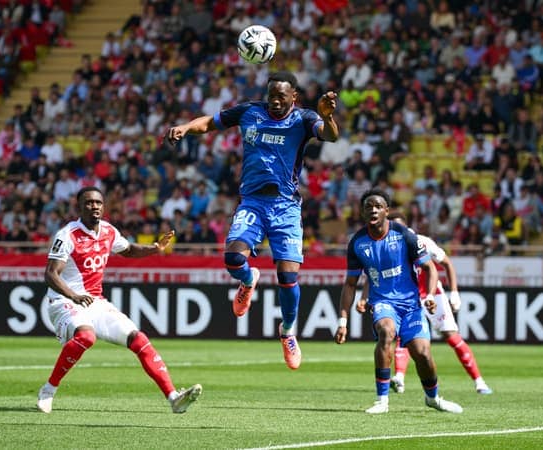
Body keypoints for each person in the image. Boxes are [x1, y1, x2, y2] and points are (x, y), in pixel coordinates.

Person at [166, 71, 338, 370]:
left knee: (287, 277)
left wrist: (328, 117)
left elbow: (331, 135)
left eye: (281, 97)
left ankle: (287, 332)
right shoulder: (249, 111)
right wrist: (185, 127)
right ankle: (248, 279)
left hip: (285, 207)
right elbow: (210, 122)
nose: (275, 101)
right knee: (233, 258)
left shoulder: (304, 119)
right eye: (271, 95)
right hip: (253, 202)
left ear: (293, 97)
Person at [36, 187, 201, 414]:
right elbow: (51, 274)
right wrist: (73, 295)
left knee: (138, 339)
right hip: (64, 301)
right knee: (86, 336)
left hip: (94, 301)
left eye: (98, 203)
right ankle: (48, 390)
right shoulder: (67, 235)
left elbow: (129, 250)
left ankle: (174, 398)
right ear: (79, 207)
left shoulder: (108, 231)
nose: (94, 206)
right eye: (89, 203)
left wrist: (155, 248)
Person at [334, 188, 463, 415]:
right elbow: (351, 284)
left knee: (422, 353)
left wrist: (430, 295)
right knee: (386, 330)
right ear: (363, 212)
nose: (373, 209)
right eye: (368, 206)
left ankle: (432, 398)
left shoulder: (404, 235)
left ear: (387, 210)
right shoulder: (357, 243)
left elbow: (429, 268)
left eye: (378, 206)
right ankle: (382, 400)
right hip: (382, 302)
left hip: (411, 304)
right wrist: (343, 321)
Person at [356, 212, 493, 396]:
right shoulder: (384, 246)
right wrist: (364, 297)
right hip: (405, 298)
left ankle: (479, 381)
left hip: (432, 295)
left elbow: (446, 264)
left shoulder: (422, 242)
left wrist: (454, 293)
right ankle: (400, 378)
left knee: (451, 336)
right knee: (398, 336)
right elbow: (375, 275)